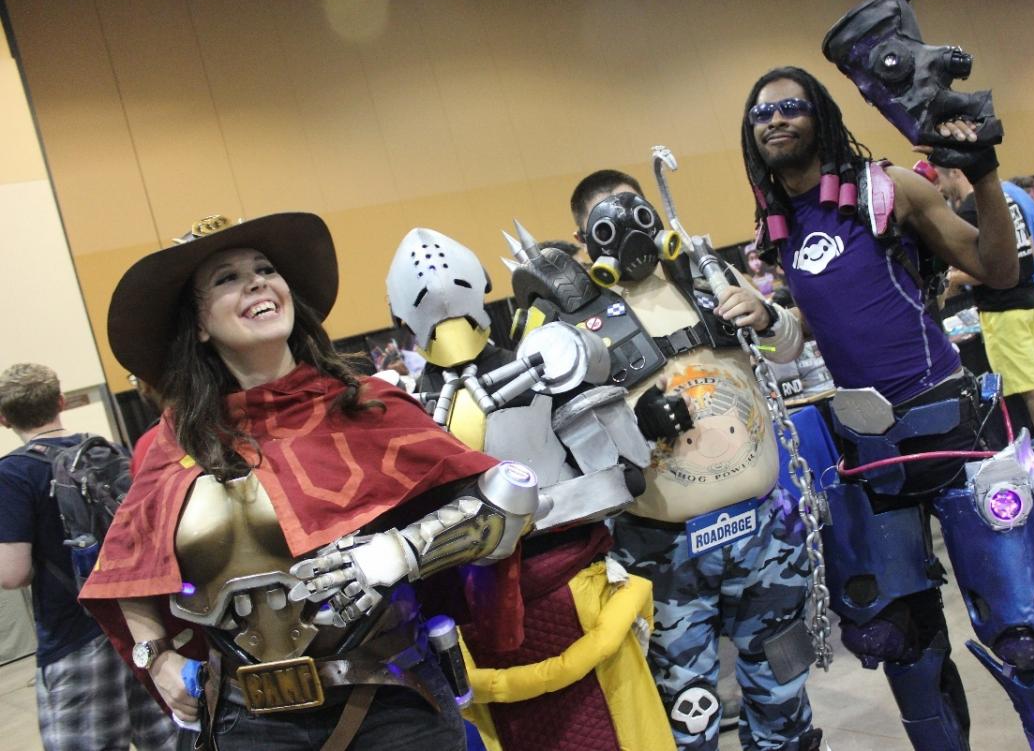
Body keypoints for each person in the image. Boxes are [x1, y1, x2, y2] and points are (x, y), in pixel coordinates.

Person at [742, 65, 1034, 750]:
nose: (776, 120)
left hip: (953, 428)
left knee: (1027, 635)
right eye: (762, 113)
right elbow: (816, 329)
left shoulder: (888, 189)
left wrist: (984, 176)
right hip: (870, 452)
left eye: (791, 106)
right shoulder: (780, 225)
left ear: (820, 114)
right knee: (895, 639)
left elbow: (997, 270)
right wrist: (770, 318)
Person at [77, 213, 542, 750]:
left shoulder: (367, 406)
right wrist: (155, 658)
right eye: (227, 278)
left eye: (265, 269)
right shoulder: (177, 442)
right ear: (199, 324)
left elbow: (505, 500)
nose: (256, 283)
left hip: (391, 702)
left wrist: (401, 552)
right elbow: (129, 567)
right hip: (247, 721)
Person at [514, 169, 823, 751]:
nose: (627, 228)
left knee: (783, 691)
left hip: (765, 535)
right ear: (583, 239)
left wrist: (765, 314)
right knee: (687, 714)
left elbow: (787, 347)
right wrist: (633, 427)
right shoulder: (570, 326)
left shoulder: (705, 276)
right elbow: (554, 447)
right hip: (665, 551)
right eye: (605, 221)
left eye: (634, 210)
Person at [385, 227, 673, 751]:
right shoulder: (400, 408)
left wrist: (516, 515)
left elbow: (626, 476)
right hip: (472, 616)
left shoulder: (546, 366)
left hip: (567, 590)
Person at [0, 363, 178, 751]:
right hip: (139, 624)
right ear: (60, 402)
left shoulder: (12, 473)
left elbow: (12, 573)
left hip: (73, 635)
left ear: (4, 418)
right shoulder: (105, 449)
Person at [938, 168, 1034, 485]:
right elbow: (1026, 250)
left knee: (1030, 389)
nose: (941, 186)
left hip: (1005, 308)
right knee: (1031, 385)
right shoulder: (1005, 200)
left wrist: (953, 278)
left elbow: (988, 269)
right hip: (1027, 300)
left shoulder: (973, 208)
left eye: (940, 178)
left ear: (956, 172)